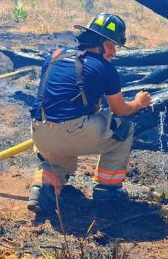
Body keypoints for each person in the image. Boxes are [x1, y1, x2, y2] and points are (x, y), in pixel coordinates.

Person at [27, 13, 152, 213]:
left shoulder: (55, 54)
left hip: (39, 133)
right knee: (124, 129)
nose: (114, 52)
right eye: (112, 45)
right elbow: (120, 110)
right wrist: (138, 102)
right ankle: (107, 189)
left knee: (60, 155)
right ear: (99, 43)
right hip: (72, 133)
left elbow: (55, 97)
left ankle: (43, 187)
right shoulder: (105, 68)